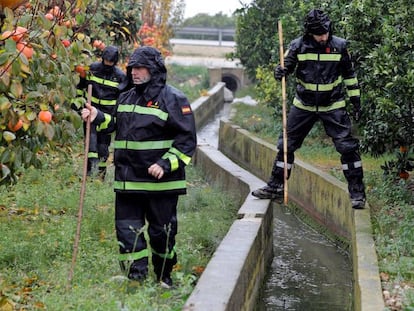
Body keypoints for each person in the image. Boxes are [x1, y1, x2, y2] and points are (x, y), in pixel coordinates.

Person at [81, 46, 197, 288]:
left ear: (154, 70)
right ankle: (136, 282)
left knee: (161, 234)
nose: (134, 72)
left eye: (140, 67)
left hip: (161, 185)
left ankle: (164, 277)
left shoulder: (173, 99)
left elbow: (187, 141)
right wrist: (97, 116)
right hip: (127, 182)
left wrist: (165, 164)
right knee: (127, 233)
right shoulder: (125, 96)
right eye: (132, 67)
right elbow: (116, 125)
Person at [251, 9, 366, 209]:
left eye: (326, 32)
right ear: (309, 33)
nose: (323, 37)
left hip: (333, 105)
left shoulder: (340, 46)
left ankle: (357, 194)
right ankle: (275, 187)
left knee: (348, 148)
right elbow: (285, 67)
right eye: (319, 34)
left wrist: (356, 102)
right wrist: (280, 71)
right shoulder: (298, 46)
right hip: (303, 105)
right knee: (286, 146)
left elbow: (350, 76)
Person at [75, 45, 128, 178]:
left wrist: (116, 117)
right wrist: (79, 106)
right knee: (90, 143)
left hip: (107, 116)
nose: (107, 64)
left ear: (115, 61)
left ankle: (100, 175)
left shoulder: (120, 76)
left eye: (110, 62)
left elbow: (122, 99)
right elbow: (80, 87)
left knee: (103, 146)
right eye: (106, 61)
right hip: (90, 111)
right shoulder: (92, 69)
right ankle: (87, 173)